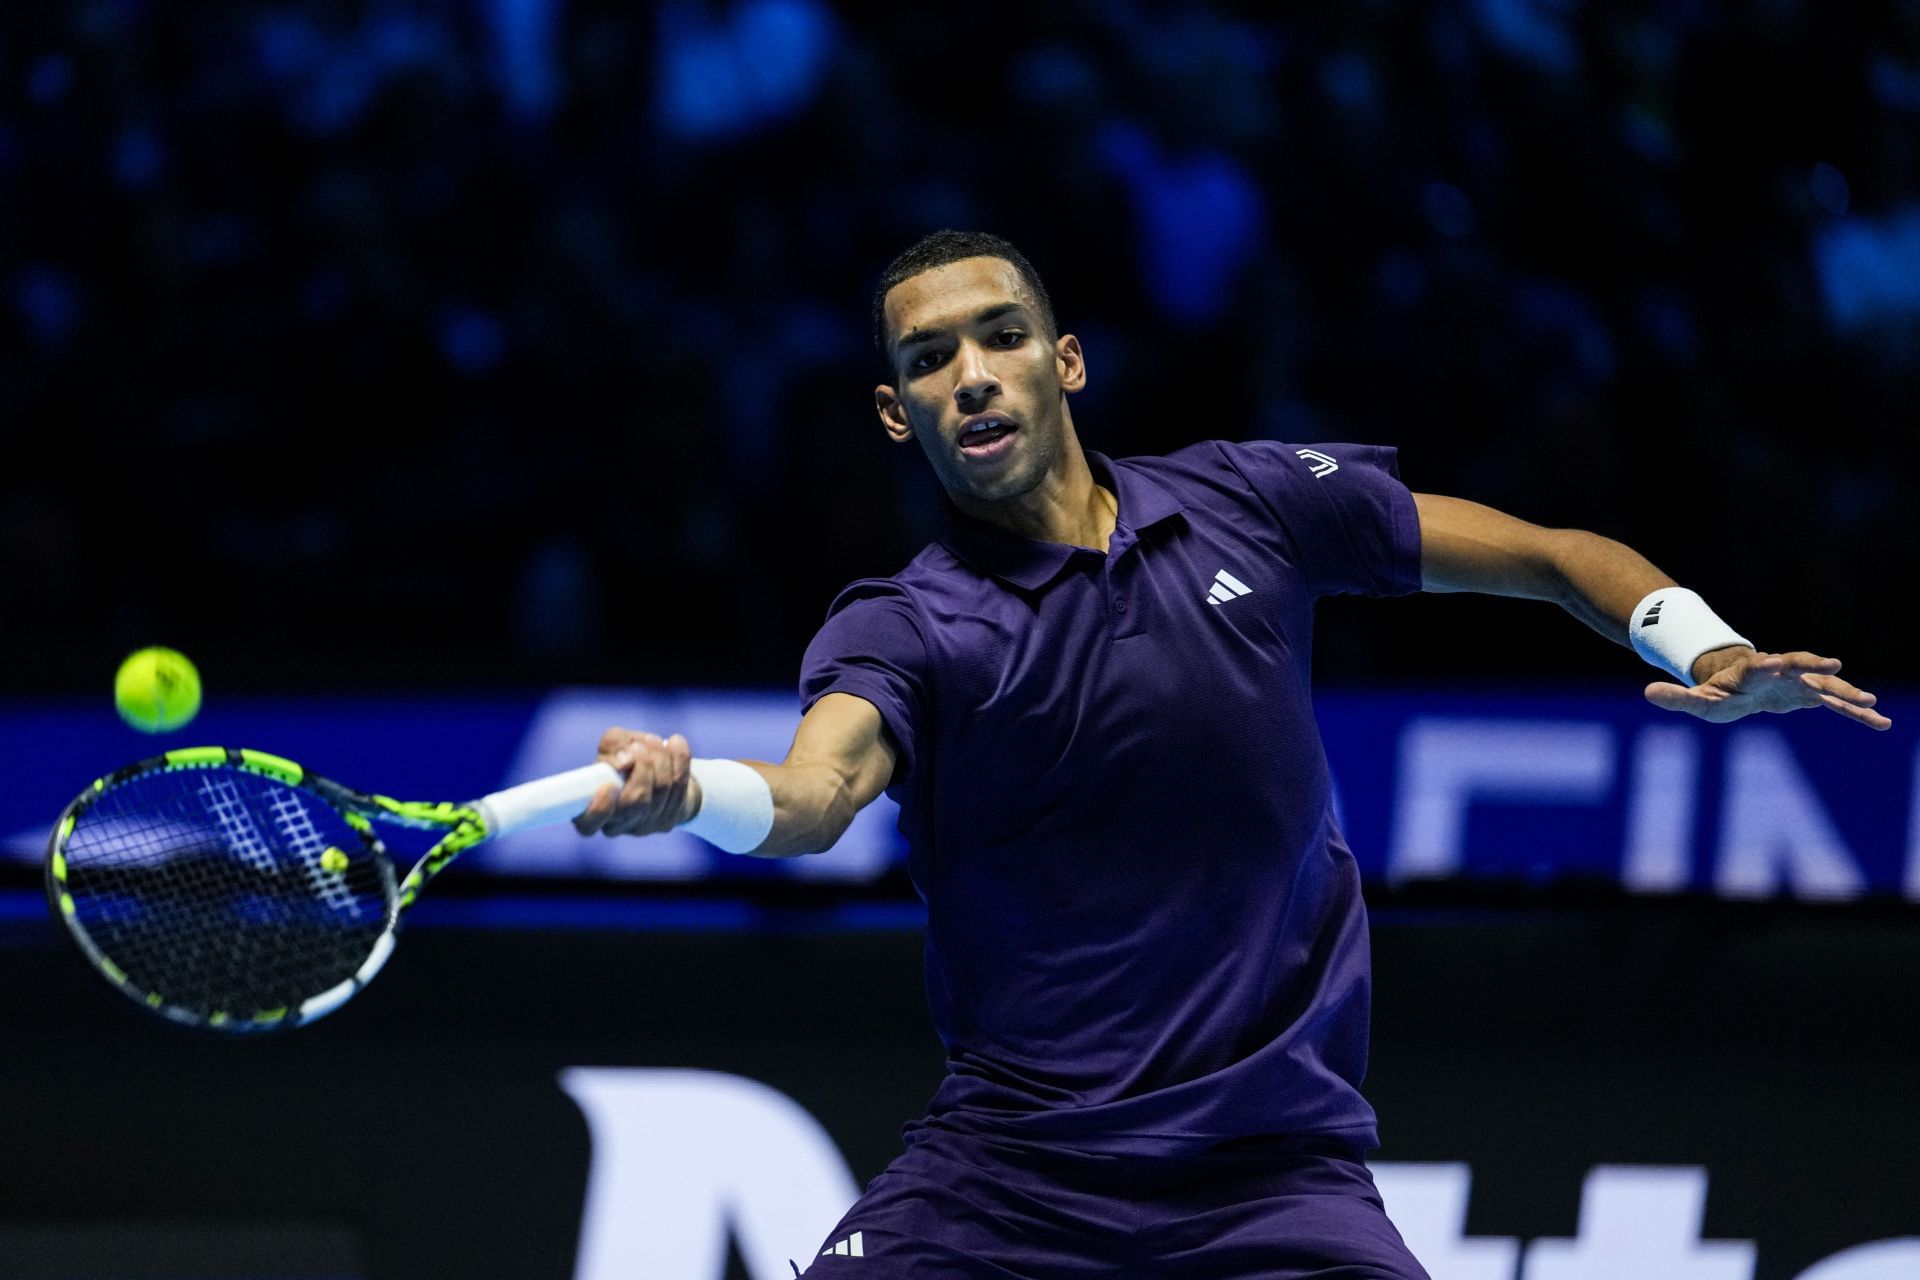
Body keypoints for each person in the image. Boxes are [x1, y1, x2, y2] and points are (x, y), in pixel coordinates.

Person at [572, 230, 1889, 1279]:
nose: (968, 372)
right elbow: (816, 793)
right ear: (895, 411)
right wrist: (700, 794)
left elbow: (1547, 559)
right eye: (927, 360)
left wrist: (1698, 644)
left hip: (1274, 1181)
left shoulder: (1247, 507)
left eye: (1001, 337)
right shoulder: (910, 624)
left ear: (1065, 362)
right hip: (1010, 1182)